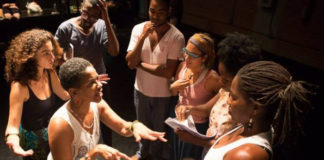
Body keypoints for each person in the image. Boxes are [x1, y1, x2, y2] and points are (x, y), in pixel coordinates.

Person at [47, 57, 167, 160]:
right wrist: (93, 152)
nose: (99, 85)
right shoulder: (61, 124)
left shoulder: (97, 105)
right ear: (73, 92)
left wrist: (134, 125)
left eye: (97, 79)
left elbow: (124, 128)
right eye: (91, 83)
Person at [203, 60, 315, 160]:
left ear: (255, 108)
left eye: (234, 97)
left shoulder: (245, 155)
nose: (228, 101)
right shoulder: (248, 127)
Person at [174, 33, 262, 158]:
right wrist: (189, 108)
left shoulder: (246, 108)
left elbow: (230, 146)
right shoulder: (225, 91)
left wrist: (194, 140)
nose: (220, 81)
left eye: (226, 78)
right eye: (220, 74)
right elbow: (205, 110)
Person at [126, 0, 185, 159]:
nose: (155, 16)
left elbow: (167, 72)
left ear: (169, 11)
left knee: (159, 131)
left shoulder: (176, 36)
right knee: (142, 126)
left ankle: (156, 156)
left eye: (160, 12)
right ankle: (142, 153)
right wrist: (142, 38)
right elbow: (130, 62)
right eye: (152, 11)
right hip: (140, 88)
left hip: (163, 94)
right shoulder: (139, 29)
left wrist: (141, 65)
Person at [55, 0, 119, 146]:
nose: (88, 19)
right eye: (85, 13)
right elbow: (55, 57)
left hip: (98, 80)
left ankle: (108, 150)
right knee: (79, 119)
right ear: (81, 8)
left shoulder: (101, 25)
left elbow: (114, 51)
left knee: (105, 119)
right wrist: (66, 61)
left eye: (94, 16)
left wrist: (106, 20)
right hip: (77, 84)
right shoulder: (66, 28)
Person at [4, 29, 70, 160]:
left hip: (52, 134)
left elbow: (65, 95)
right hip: (32, 143)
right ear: (31, 56)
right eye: (46, 53)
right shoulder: (20, 86)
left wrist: (86, 85)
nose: (52, 57)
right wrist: (13, 141)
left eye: (52, 51)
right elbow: (12, 125)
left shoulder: (50, 73)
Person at [170, 33, 222, 159]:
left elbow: (223, 97)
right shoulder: (183, 67)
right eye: (185, 52)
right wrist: (173, 87)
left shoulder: (212, 78)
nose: (187, 58)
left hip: (196, 127)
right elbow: (174, 93)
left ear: (204, 58)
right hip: (179, 120)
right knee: (175, 154)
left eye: (192, 55)